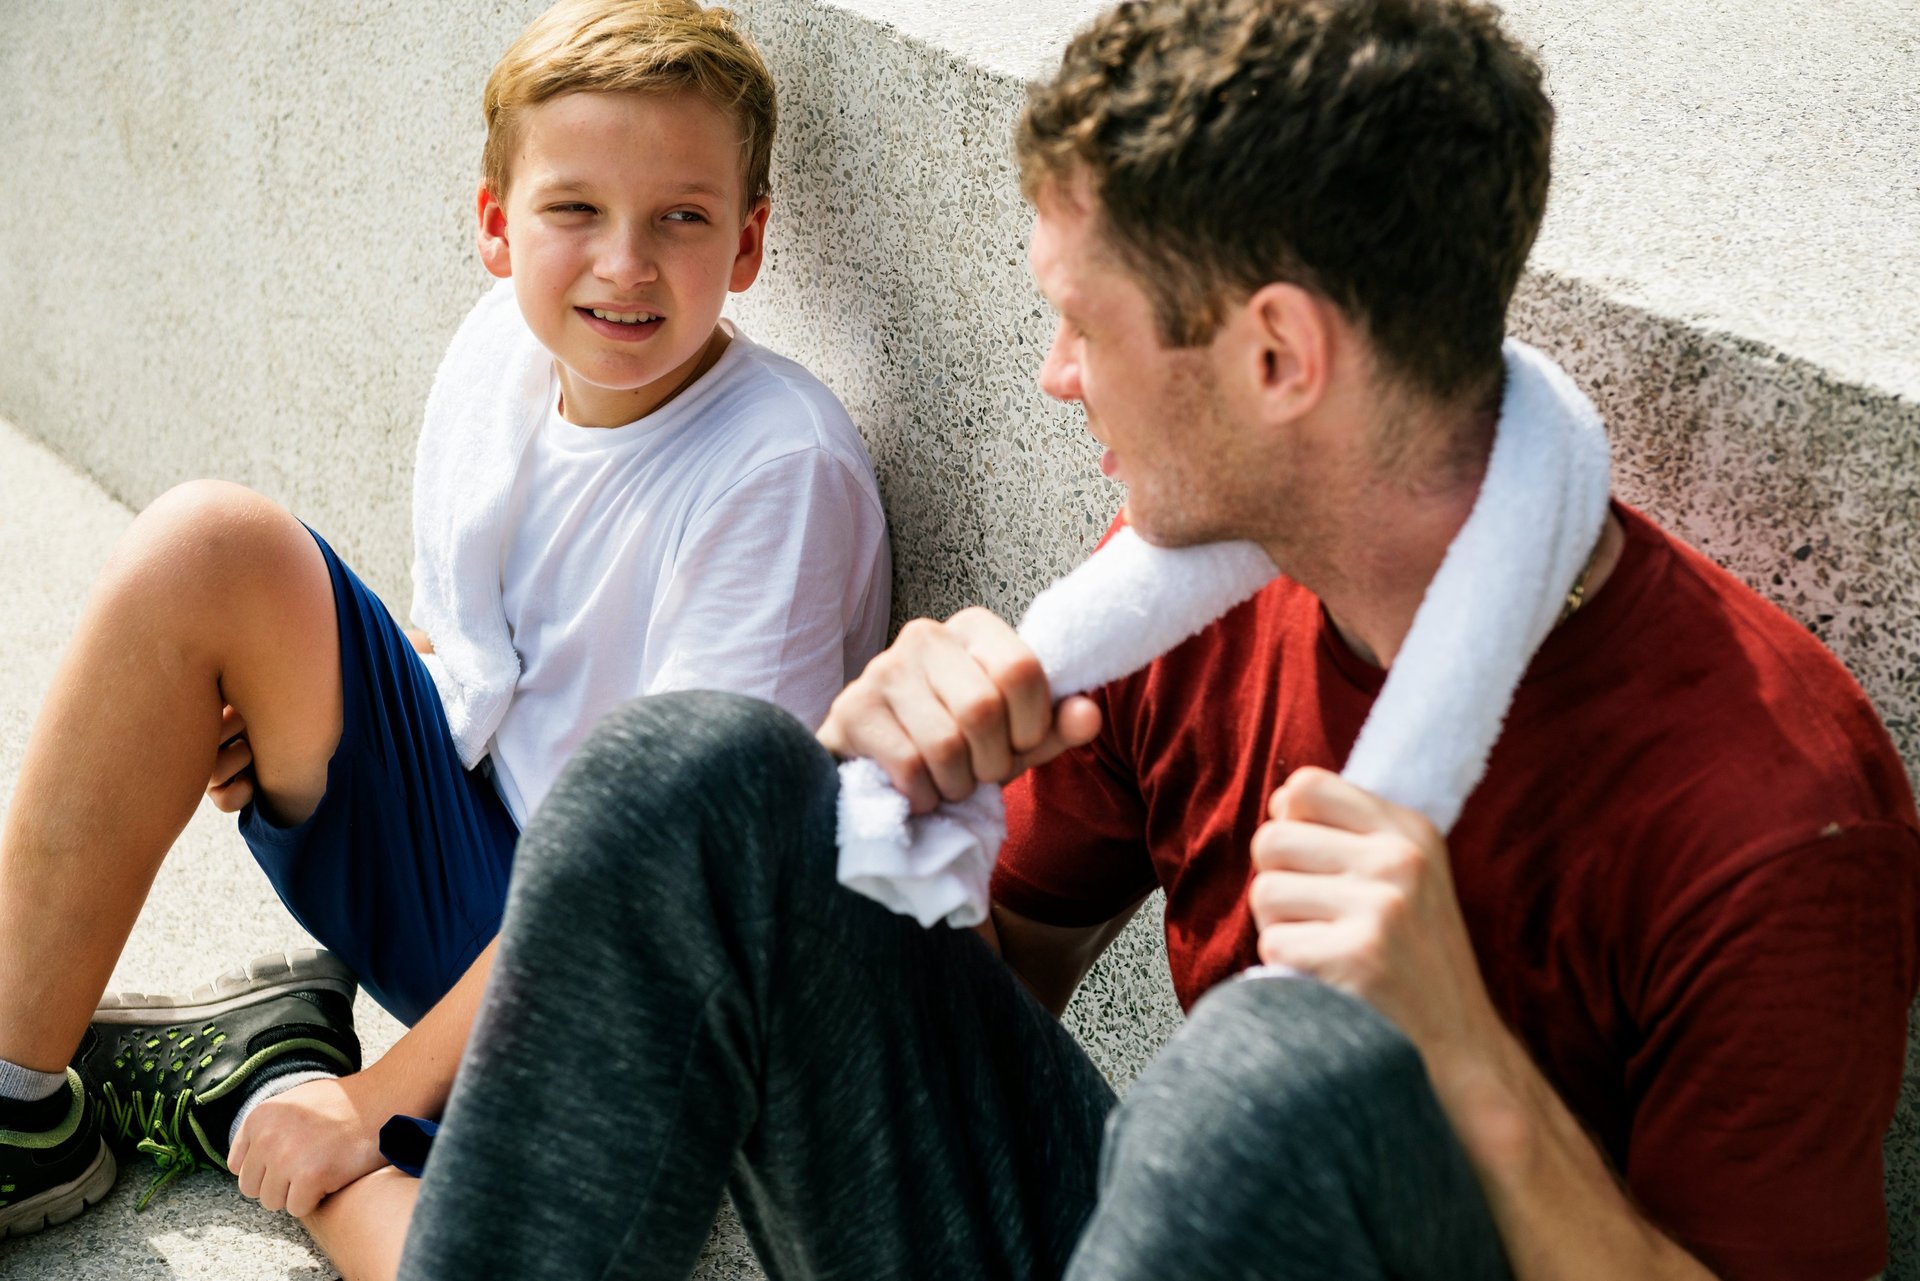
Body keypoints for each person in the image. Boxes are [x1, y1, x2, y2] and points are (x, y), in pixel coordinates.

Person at [395, 0, 1920, 1278]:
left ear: (1276, 357)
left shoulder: (1773, 806)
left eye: (1083, 321)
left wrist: (1465, 1069)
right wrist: (899, 809)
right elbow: (995, 1003)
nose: (1055, 377)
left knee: (1276, 1072)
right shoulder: (1188, 603)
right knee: (695, 775)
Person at [0, 0, 890, 1275]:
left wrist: (363, 1104)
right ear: (495, 226)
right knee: (206, 542)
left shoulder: (778, 475)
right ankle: (15, 1105)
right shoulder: (505, 355)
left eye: (681, 218)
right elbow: (483, 652)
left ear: (749, 244)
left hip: (659, 985)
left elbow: (674, 881)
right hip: (485, 867)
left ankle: (255, 1081)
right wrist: (333, 719)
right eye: (574, 210)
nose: (624, 264)